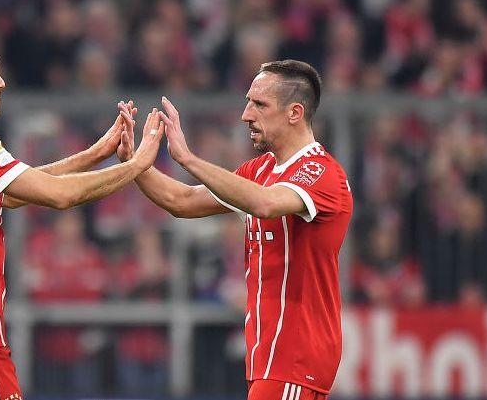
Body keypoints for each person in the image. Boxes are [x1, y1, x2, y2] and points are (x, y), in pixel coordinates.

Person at [0, 36, 165, 400]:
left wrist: (93, 155)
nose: (0, 82)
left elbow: (16, 191)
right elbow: (59, 195)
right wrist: (137, 165)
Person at [117, 60, 353, 400]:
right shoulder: (260, 170)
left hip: (295, 359)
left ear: (294, 112)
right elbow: (181, 200)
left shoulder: (321, 172)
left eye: (259, 104)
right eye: (248, 102)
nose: (246, 115)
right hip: (269, 361)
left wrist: (188, 159)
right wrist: (134, 164)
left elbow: (265, 203)